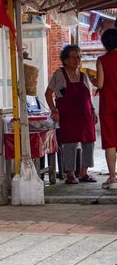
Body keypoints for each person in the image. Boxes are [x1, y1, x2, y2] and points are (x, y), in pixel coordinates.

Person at [45, 45, 97, 184]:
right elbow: (48, 93)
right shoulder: (59, 74)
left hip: (85, 115)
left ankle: (84, 173)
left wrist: (93, 111)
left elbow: (89, 98)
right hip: (68, 116)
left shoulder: (84, 75)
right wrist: (53, 110)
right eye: (74, 57)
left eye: (79, 56)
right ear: (66, 60)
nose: (77, 60)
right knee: (70, 143)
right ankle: (70, 174)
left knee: (89, 142)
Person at [95, 29, 117, 189]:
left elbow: (100, 84)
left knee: (110, 141)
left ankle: (112, 178)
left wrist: (92, 79)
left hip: (109, 106)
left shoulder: (102, 60)